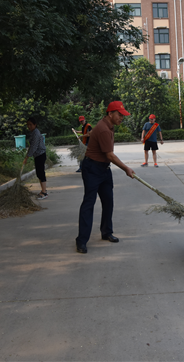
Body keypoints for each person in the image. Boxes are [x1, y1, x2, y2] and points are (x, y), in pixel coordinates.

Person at [76, 101, 136, 254]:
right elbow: (110, 155)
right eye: (119, 115)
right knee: (89, 203)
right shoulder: (103, 129)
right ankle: (81, 241)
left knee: (108, 201)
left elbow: (107, 155)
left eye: (123, 115)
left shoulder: (108, 126)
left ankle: (106, 232)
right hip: (92, 169)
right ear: (110, 114)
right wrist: (126, 168)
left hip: (104, 169)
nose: (122, 118)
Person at [23, 117, 48, 199]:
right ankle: (43, 190)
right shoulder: (33, 133)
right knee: (39, 173)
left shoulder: (36, 133)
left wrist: (27, 157)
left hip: (40, 155)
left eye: (30, 124)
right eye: (28, 125)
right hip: (37, 155)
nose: (29, 126)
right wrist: (27, 156)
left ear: (35, 124)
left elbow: (34, 146)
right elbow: (31, 146)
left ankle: (44, 192)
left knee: (41, 173)